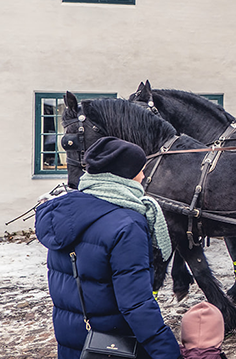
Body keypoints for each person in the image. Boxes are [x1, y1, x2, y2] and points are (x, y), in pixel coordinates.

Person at [35, 136, 181, 359]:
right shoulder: (127, 225)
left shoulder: (65, 215)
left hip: (74, 342)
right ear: (125, 175)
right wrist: (168, 352)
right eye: (140, 170)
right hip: (114, 346)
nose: (144, 176)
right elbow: (136, 304)